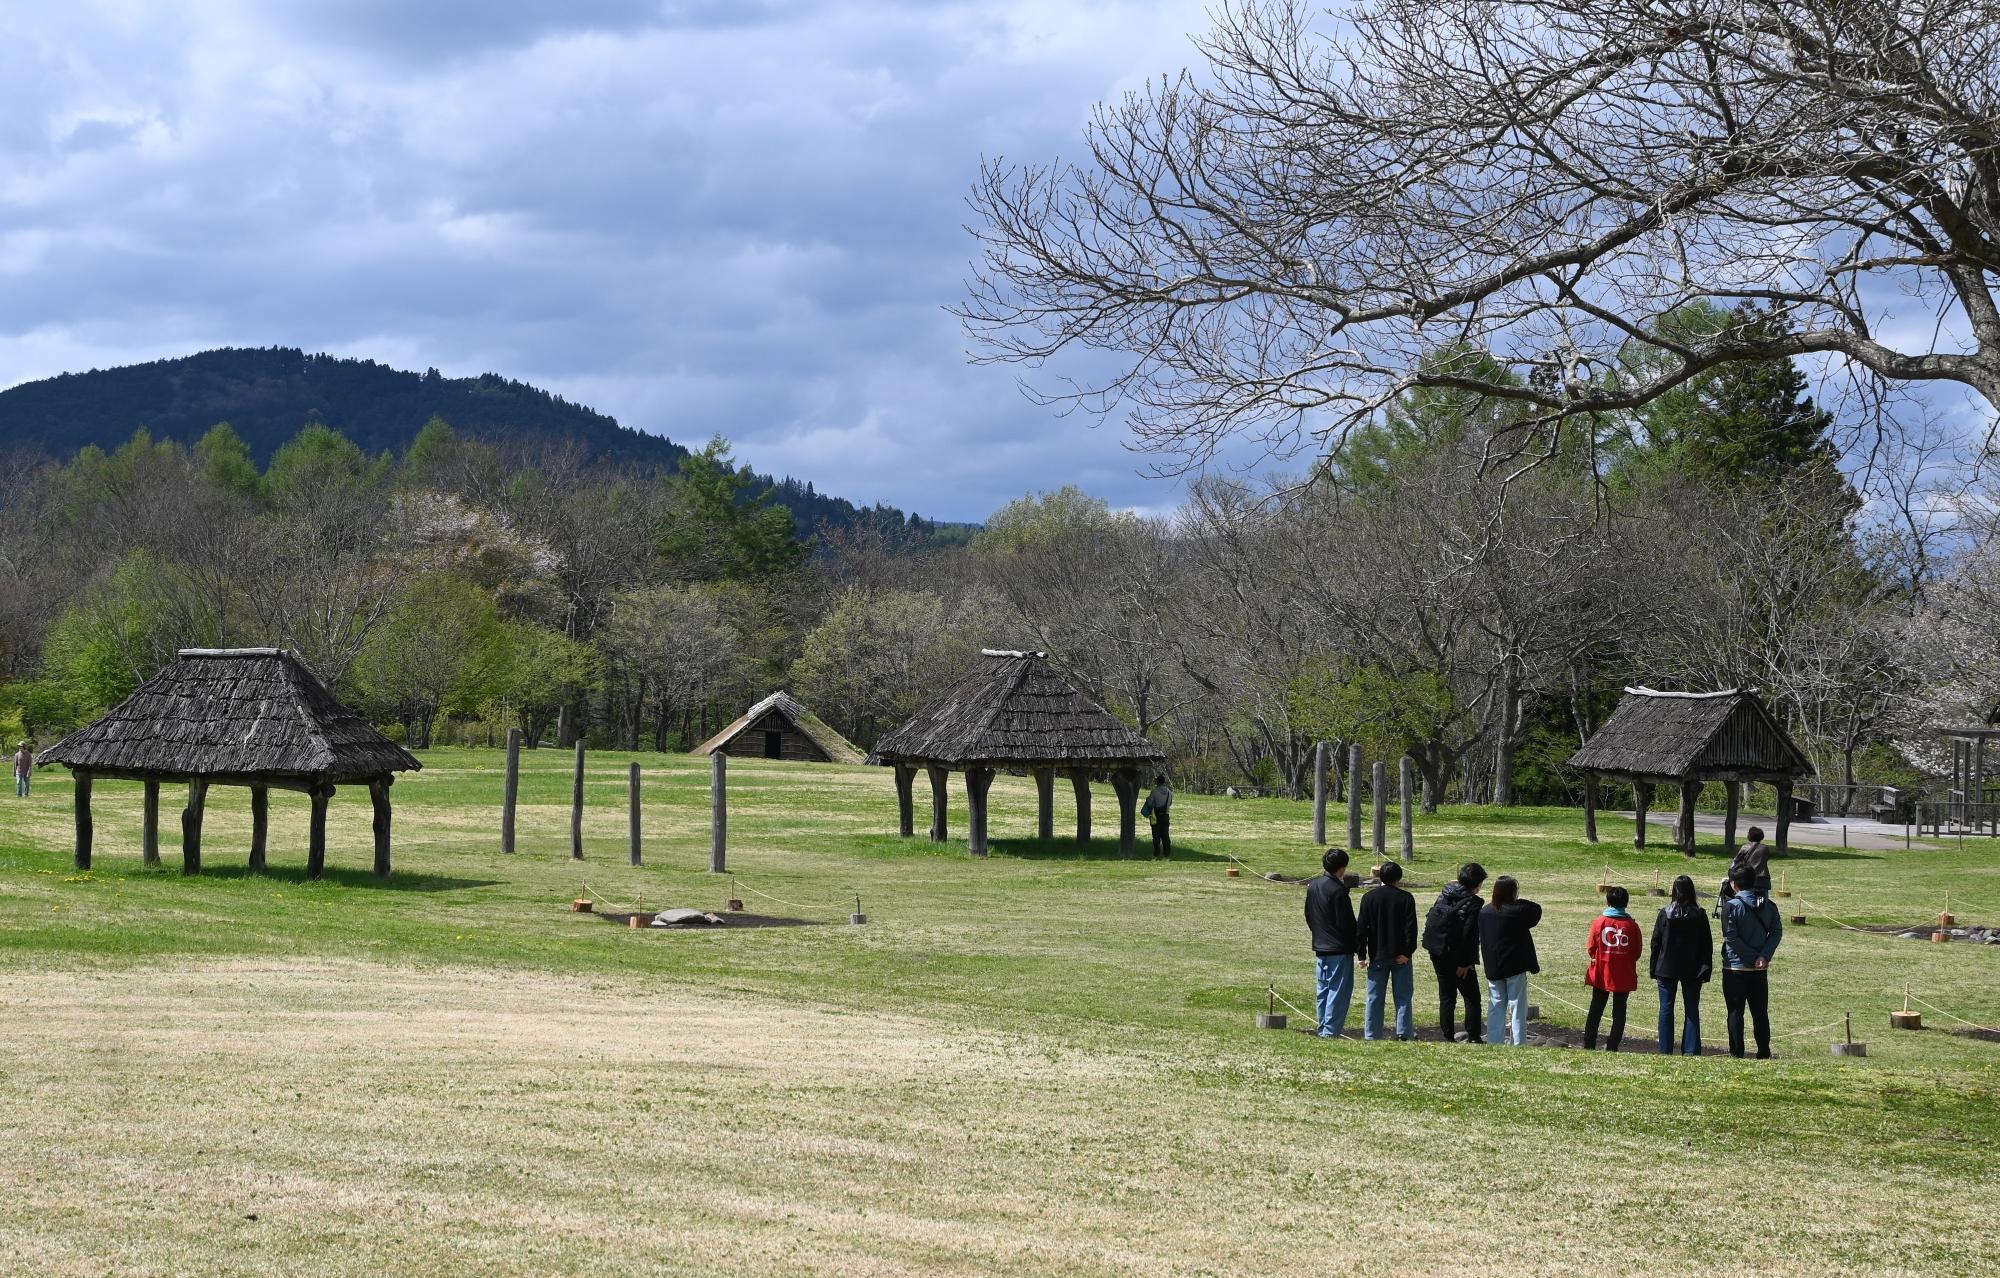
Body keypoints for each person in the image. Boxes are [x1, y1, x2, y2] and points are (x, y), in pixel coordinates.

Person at [1721, 868, 1783, 1059]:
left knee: (1735, 1012)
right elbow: (1776, 932)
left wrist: (1751, 957)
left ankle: (1737, 1052)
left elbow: (1731, 938)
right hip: (1759, 969)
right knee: (1760, 1013)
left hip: (1735, 967)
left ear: (1734, 885)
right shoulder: (1769, 905)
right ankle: (1763, 1050)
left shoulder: (1730, 906)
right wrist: (1763, 956)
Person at [1421, 862, 1486, 1042]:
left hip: (1437, 950)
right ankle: (1474, 1035)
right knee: (1472, 997)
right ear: (1477, 884)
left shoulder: (1445, 893)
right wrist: (1466, 963)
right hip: (1458, 955)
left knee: (1447, 995)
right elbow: (1469, 935)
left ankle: (1447, 1035)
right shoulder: (1474, 903)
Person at [1651, 874, 1712, 1056]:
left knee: (1666, 1008)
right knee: (1692, 1009)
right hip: (1693, 968)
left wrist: (1654, 967)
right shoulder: (1700, 915)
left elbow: (1656, 942)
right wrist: (1706, 968)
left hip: (1666, 967)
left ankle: (1665, 1049)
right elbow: (1706, 945)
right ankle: (1691, 1049)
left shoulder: (1665, 913)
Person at [1358, 859, 1418, 1040]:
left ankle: (1372, 1034)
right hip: (1401, 955)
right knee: (1403, 996)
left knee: (1374, 997)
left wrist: (1362, 954)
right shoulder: (1406, 897)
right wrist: (1408, 952)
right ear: (1398, 878)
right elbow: (1411, 929)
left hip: (1377, 955)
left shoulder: (1369, 898)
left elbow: (1361, 928)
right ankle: (1404, 1032)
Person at [1479, 875, 1543, 1046]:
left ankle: (1494, 1040)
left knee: (1496, 1006)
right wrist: (1518, 900)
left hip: (1493, 965)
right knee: (1517, 1007)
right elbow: (1536, 910)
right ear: (1512, 893)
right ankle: (1518, 1042)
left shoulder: (1485, 911)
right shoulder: (1517, 911)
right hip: (1515, 966)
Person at [1304, 848, 1358, 1038]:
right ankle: (1330, 1031)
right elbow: (1348, 923)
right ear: (1341, 869)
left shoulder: (1313, 885)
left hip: (1320, 946)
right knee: (1338, 992)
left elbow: (1309, 915)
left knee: (1323, 990)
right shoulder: (1338, 890)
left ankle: (1323, 1027)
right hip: (1339, 948)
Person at [1583, 886, 1643, 1051]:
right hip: (1624, 972)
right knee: (1620, 1011)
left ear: (1608, 902)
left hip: (1602, 970)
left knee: (1596, 1008)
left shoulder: (1599, 922)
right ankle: (1613, 1045)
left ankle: (1588, 1043)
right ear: (1626, 903)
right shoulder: (1632, 925)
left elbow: (1591, 948)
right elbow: (1636, 951)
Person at [1722, 827, 1773, 900]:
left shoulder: (1745, 847)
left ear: (1750, 835)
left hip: (1749, 878)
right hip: (1764, 879)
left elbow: (1736, 861)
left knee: (1747, 900)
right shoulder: (1765, 848)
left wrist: (1731, 873)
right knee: (1763, 902)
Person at [1143, 774, 1174, 859]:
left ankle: (1156, 854)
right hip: (1166, 816)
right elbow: (1170, 804)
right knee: (1165, 836)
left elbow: (1149, 804)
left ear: (1157, 782)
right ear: (1164, 782)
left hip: (1156, 816)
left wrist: (1148, 799)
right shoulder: (1169, 792)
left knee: (1156, 836)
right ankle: (1167, 854)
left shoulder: (1154, 791)